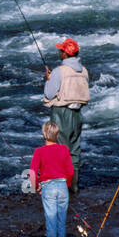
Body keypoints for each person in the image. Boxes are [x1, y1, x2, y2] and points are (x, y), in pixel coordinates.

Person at [42, 38, 91, 195]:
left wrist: (48, 80)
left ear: (65, 54)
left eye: (60, 50)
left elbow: (49, 94)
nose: (59, 53)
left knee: (59, 150)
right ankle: (73, 186)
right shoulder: (83, 70)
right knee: (74, 150)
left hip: (61, 113)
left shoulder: (59, 71)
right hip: (77, 114)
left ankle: (62, 188)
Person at [30, 120, 74, 237]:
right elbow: (71, 172)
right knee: (61, 223)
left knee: (51, 225)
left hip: (48, 187)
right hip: (62, 186)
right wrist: (66, 185)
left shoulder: (39, 151)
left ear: (44, 134)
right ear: (57, 135)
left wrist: (37, 188)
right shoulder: (64, 149)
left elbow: (32, 174)